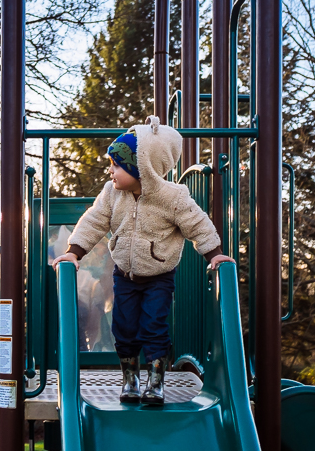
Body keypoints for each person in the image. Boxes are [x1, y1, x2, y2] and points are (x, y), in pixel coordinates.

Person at [51, 116, 235, 405]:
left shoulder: (173, 197)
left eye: (117, 165)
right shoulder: (112, 194)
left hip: (159, 277)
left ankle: (156, 381)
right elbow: (94, 221)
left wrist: (214, 254)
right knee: (123, 328)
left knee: (154, 326)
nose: (110, 171)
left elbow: (198, 225)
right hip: (124, 276)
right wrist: (74, 252)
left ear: (142, 167)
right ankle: (131, 378)